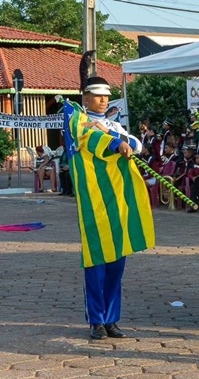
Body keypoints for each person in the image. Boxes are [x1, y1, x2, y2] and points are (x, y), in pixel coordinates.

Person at [73, 74, 151, 340]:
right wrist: (115, 142)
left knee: (117, 262)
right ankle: (96, 320)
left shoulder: (111, 124)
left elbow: (137, 145)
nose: (103, 99)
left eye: (106, 95)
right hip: (95, 202)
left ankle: (112, 319)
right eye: (97, 95)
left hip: (119, 200)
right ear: (85, 98)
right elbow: (91, 140)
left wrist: (120, 138)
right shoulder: (78, 122)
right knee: (96, 262)